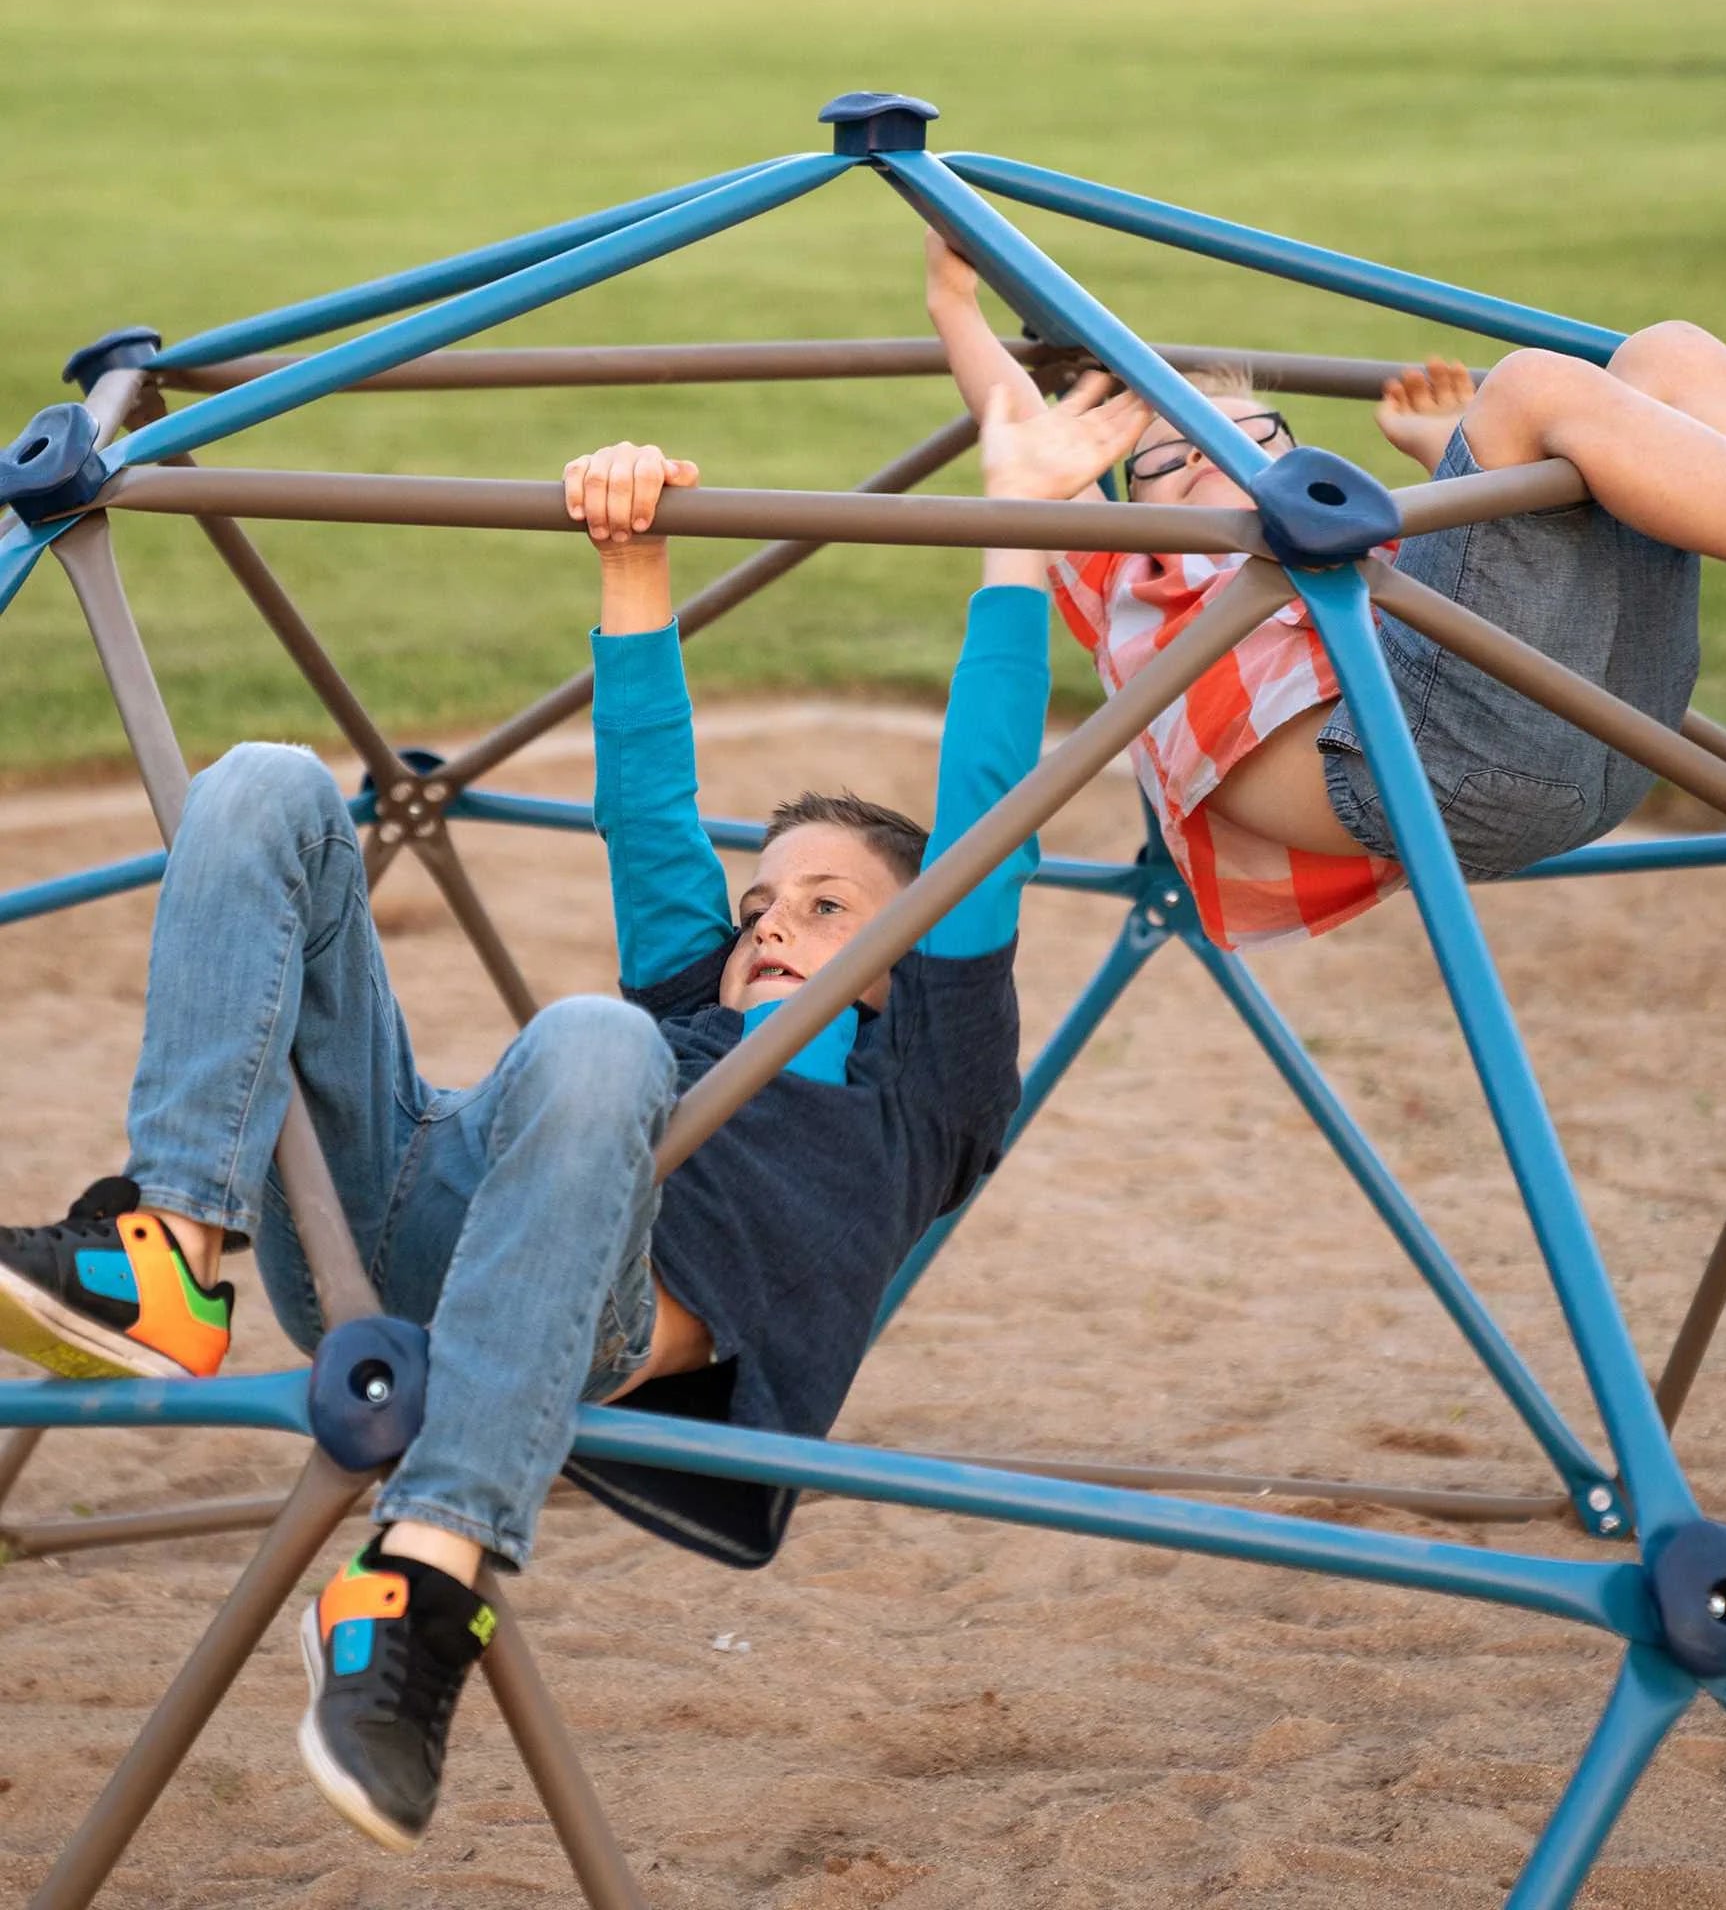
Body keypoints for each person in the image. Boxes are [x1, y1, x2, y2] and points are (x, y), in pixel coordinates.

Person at [0, 373, 1150, 1852]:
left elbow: (991, 790)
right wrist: (631, 559)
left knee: (597, 1043)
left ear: (907, 950)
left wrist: (1023, 529)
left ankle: (424, 1580)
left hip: (578, 1306)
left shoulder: (920, 1083)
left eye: (830, 907)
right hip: (390, 1209)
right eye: (765, 904)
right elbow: (649, 808)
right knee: (266, 785)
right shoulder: (696, 1001)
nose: (778, 926)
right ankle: (174, 1249)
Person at [926, 232, 1726, 950]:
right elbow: (1013, 417)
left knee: (1670, 353)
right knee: (1527, 384)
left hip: (1614, 727)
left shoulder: (1324, 553)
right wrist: (953, 299)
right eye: (1165, 457)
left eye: (1256, 439)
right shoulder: (1123, 567)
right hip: (1432, 779)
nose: (1217, 459)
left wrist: (1450, 452)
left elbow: (1485, 594)